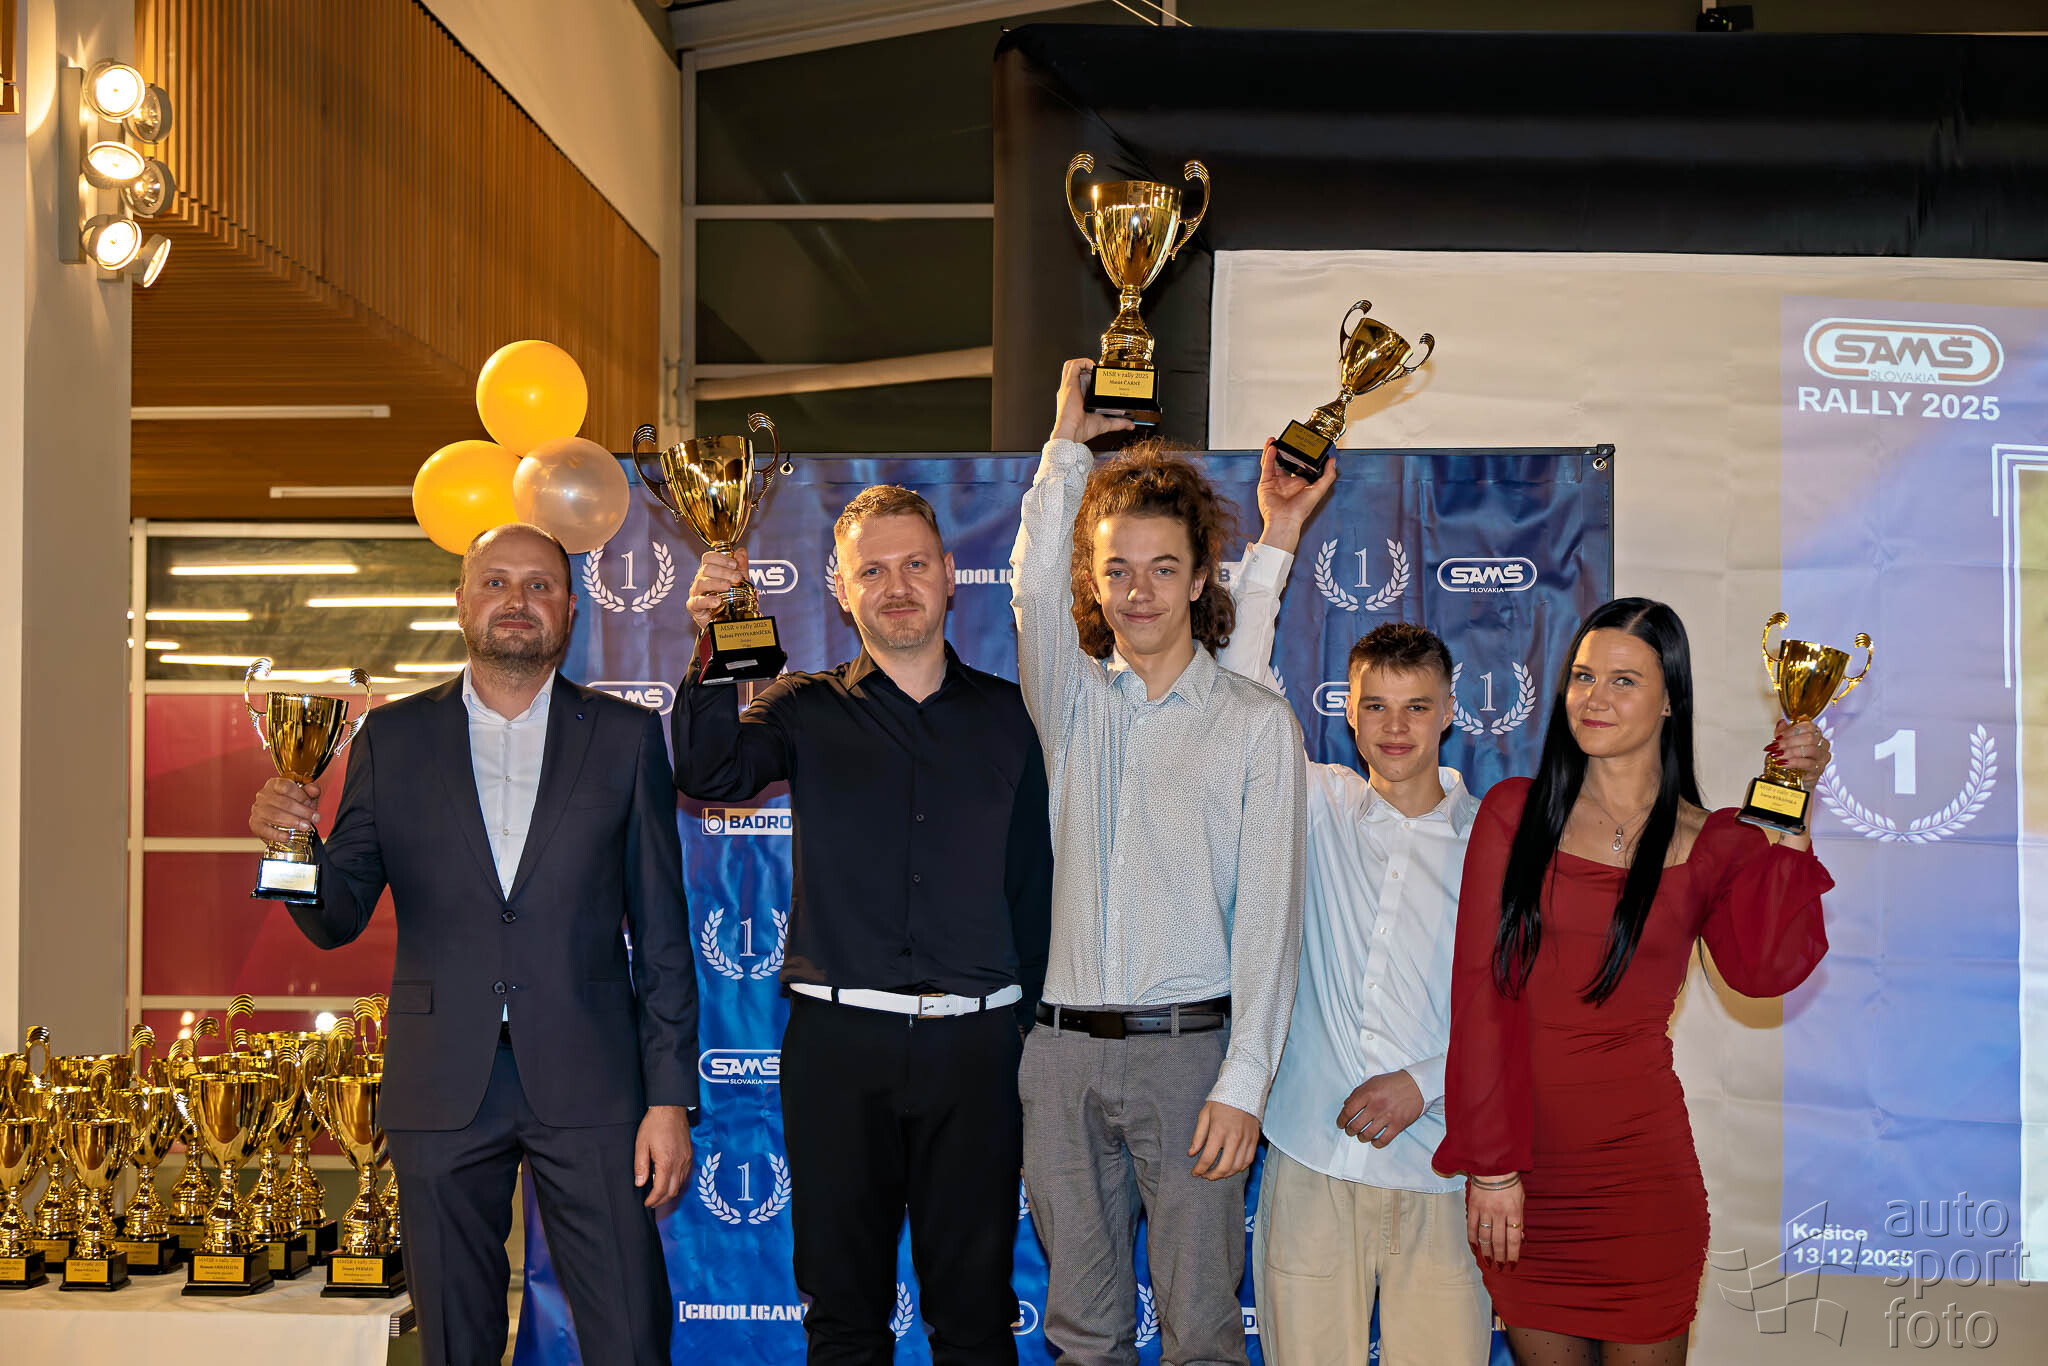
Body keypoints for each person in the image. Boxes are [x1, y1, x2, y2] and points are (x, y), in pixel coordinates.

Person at [249, 522, 697, 1366]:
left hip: (595, 1081)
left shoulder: (626, 736)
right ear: (461, 602)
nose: (517, 601)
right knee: (455, 1341)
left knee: (631, 1335)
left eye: (539, 585)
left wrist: (668, 1099)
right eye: (495, 582)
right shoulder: (392, 738)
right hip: (440, 1082)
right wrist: (293, 849)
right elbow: (337, 918)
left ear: (570, 609)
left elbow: (664, 936)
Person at [673, 484, 1053, 1366]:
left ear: (950, 575)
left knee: (975, 1317)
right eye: (871, 571)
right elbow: (708, 772)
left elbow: (1034, 890)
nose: (897, 586)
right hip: (838, 1050)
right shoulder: (800, 707)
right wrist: (710, 643)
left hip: (979, 1051)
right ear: (839, 590)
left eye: (914, 564)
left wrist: (1036, 1037)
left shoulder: (1015, 716)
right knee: (844, 1317)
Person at [1434, 597, 1836, 1366]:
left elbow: (1763, 970)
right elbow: (1481, 999)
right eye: (1584, 676)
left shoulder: (1713, 840)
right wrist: (1491, 1166)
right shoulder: (1514, 814)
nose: (1595, 698)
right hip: (1525, 1181)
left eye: (1624, 680)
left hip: (1642, 1182)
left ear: (1670, 700)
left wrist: (1792, 806)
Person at [1010, 358, 1306, 1366]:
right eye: (1117, 569)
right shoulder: (1066, 697)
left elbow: (1270, 919)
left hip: (1192, 1059)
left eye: (1163, 567)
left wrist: (1245, 1080)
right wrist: (1065, 444)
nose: (1139, 591)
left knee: (1203, 1335)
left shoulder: (1254, 725)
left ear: (1200, 575)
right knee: (1081, 1334)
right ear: (1092, 580)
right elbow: (1030, 585)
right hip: (1056, 1055)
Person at [1217, 443, 1493, 1366]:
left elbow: (1520, 1001)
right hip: (1310, 1161)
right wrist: (1281, 530)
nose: (1395, 727)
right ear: (1350, 711)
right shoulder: (1314, 801)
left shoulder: (1496, 840)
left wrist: (1426, 1082)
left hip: (1443, 1172)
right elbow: (1237, 683)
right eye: (1377, 706)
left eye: (1416, 707)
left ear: (1450, 710)